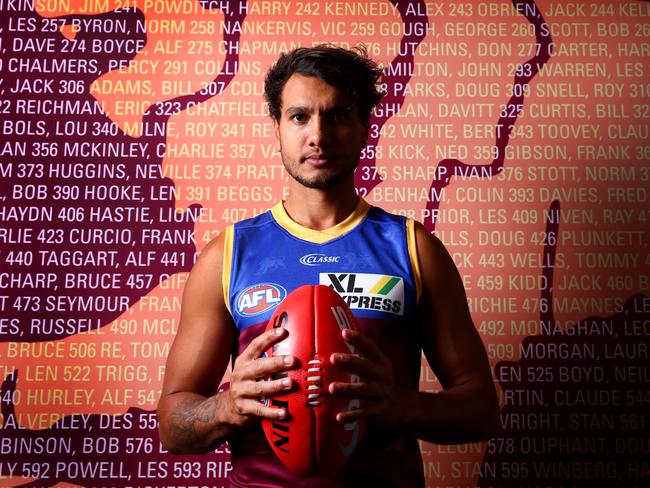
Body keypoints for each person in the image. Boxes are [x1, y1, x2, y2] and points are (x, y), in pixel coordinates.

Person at [157, 44, 498, 486]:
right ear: (277, 128)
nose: (318, 134)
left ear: (364, 127)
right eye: (299, 116)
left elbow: (481, 411)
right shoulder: (229, 254)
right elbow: (172, 425)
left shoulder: (413, 248)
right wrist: (227, 406)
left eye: (337, 115)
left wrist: (398, 405)